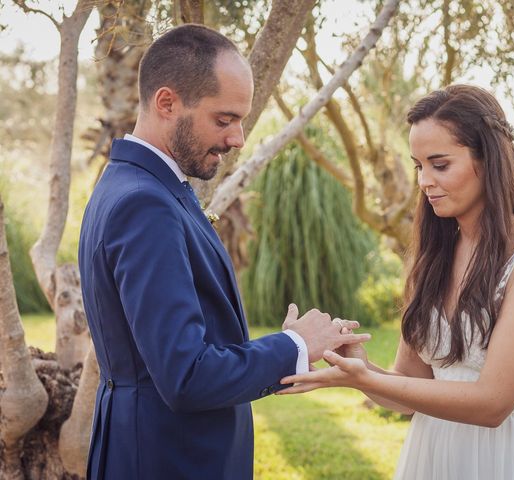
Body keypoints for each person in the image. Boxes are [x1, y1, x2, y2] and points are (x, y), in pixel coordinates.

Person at [78, 24, 369, 480]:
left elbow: (182, 351)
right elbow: (185, 376)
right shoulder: (144, 203)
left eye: (240, 121)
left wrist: (293, 351)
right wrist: (293, 346)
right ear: (167, 102)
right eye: (224, 119)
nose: (237, 139)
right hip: (166, 461)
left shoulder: (138, 186)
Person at [279, 85, 514, 479]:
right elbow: (408, 392)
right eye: (419, 166)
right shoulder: (433, 257)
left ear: (488, 160)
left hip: (510, 457)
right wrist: (357, 367)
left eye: (440, 164)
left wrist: (365, 378)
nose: (423, 181)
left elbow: (493, 404)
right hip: (434, 456)